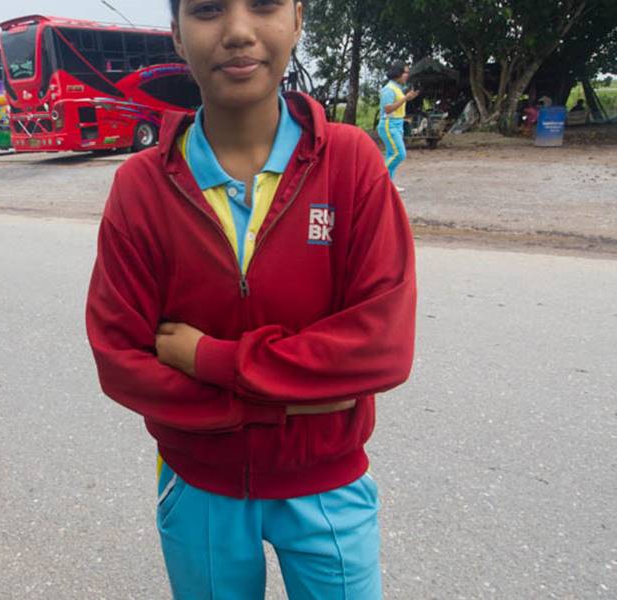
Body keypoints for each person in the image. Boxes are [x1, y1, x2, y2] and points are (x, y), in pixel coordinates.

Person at [85, 0, 416, 598]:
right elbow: (120, 360)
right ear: (177, 35)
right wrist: (275, 407)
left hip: (328, 485)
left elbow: (381, 348)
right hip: (199, 486)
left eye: (263, 5)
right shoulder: (140, 188)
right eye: (209, 10)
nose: (238, 31)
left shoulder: (350, 163)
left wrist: (208, 358)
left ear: (298, 20)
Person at [377, 61, 420, 191]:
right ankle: (378, 180)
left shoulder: (397, 88)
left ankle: (387, 185)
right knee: (399, 154)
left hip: (397, 124)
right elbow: (388, 109)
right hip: (389, 124)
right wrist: (405, 98)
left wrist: (408, 98)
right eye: (405, 72)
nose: (407, 75)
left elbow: (397, 105)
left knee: (392, 154)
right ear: (398, 73)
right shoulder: (389, 89)